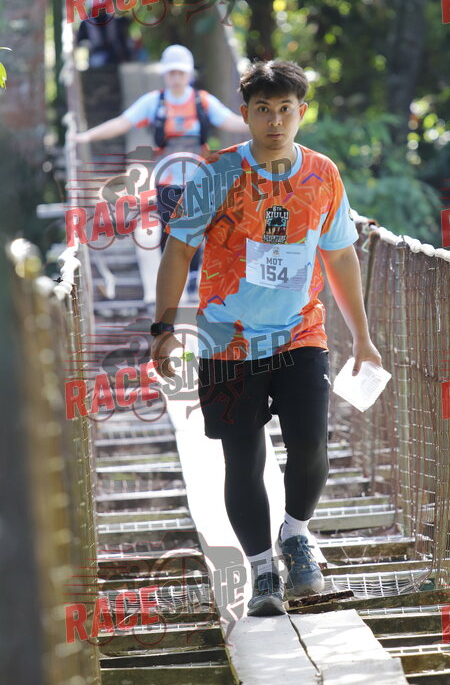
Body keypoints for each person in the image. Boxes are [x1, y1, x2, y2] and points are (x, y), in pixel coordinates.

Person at [149, 60, 382, 617]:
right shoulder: (218, 173)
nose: (274, 121)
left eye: (285, 109)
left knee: (311, 442)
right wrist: (163, 327)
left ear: (302, 112)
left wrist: (363, 336)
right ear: (245, 114)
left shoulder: (322, 174)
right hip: (227, 340)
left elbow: (340, 255)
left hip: (301, 332)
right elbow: (179, 250)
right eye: (263, 110)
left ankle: (295, 534)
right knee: (242, 458)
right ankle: (261, 572)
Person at [74, 44, 248, 304]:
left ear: (189, 74)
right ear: (165, 74)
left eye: (181, 73)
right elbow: (123, 122)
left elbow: (231, 121)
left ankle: (192, 281)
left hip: (198, 179)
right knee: (169, 231)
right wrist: (87, 136)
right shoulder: (154, 102)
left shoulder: (201, 101)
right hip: (166, 181)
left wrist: (263, 123)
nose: (176, 78)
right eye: (172, 73)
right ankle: (170, 286)